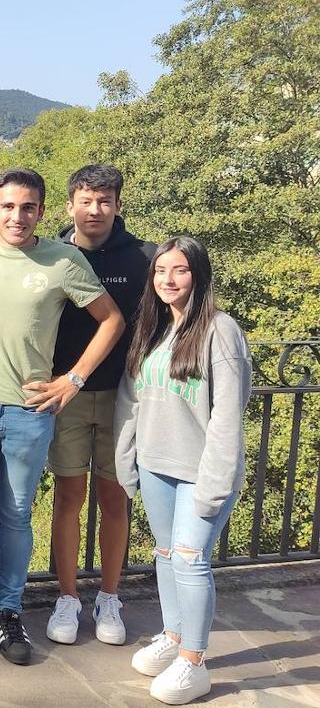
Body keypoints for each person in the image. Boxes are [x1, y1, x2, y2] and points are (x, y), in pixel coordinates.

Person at [0, 167, 124, 665]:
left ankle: (10, 609)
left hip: (30, 412)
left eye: (28, 207)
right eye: (8, 206)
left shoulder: (65, 259)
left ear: (41, 211)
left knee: (15, 515)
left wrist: (73, 379)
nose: (18, 216)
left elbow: (112, 320)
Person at [115, 237, 250, 705]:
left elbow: (227, 416)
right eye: (160, 272)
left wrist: (215, 484)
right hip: (156, 467)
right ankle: (174, 637)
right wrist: (126, 459)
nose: (168, 280)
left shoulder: (220, 330)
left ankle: (194, 662)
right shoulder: (152, 330)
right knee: (168, 556)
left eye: (180, 271)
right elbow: (132, 401)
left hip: (199, 472)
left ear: (199, 275)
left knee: (192, 563)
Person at [46, 164, 155, 647]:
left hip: (124, 398)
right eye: (86, 200)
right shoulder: (48, 255)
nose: (95, 209)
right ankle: (67, 598)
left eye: (104, 200)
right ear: (70, 205)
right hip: (63, 397)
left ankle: (109, 596)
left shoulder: (145, 259)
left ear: (118, 205)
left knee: (115, 499)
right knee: (68, 497)